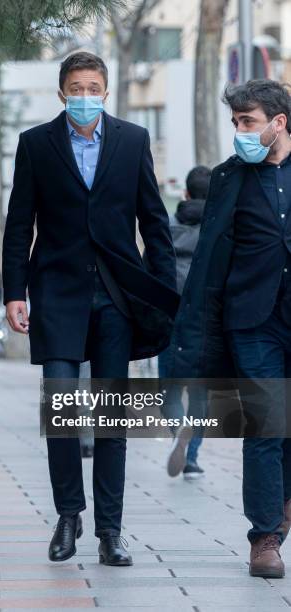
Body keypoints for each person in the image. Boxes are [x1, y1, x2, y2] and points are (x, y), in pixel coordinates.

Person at [2, 51, 177, 566]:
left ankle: (110, 530)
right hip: (56, 292)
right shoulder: (35, 144)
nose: (84, 95)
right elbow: (18, 226)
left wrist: (164, 292)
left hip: (117, 296)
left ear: (106, 91)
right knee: (59, 408)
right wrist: (16, 292)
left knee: (110, 417)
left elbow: (154, 221)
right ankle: (68, 515)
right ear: (62, 94)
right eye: (75, 87)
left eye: (93, 87)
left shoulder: (132, 141)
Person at [168, 79, 291, 579]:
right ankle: (264, 538)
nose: (239, 131)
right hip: (251, 323)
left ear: (279, 123)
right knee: (266, 426)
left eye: (249, 122)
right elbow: (213, 255)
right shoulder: (228, 177)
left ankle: (282, 505)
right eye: (236, 122)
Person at [158, 166, 212, 480]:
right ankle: (191, 456)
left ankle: (178, 430)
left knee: (170, 390)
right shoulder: (219, 227)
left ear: (186, 193)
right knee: (202, 392)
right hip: (204, 320)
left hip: (169, 318)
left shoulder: (167, 225)